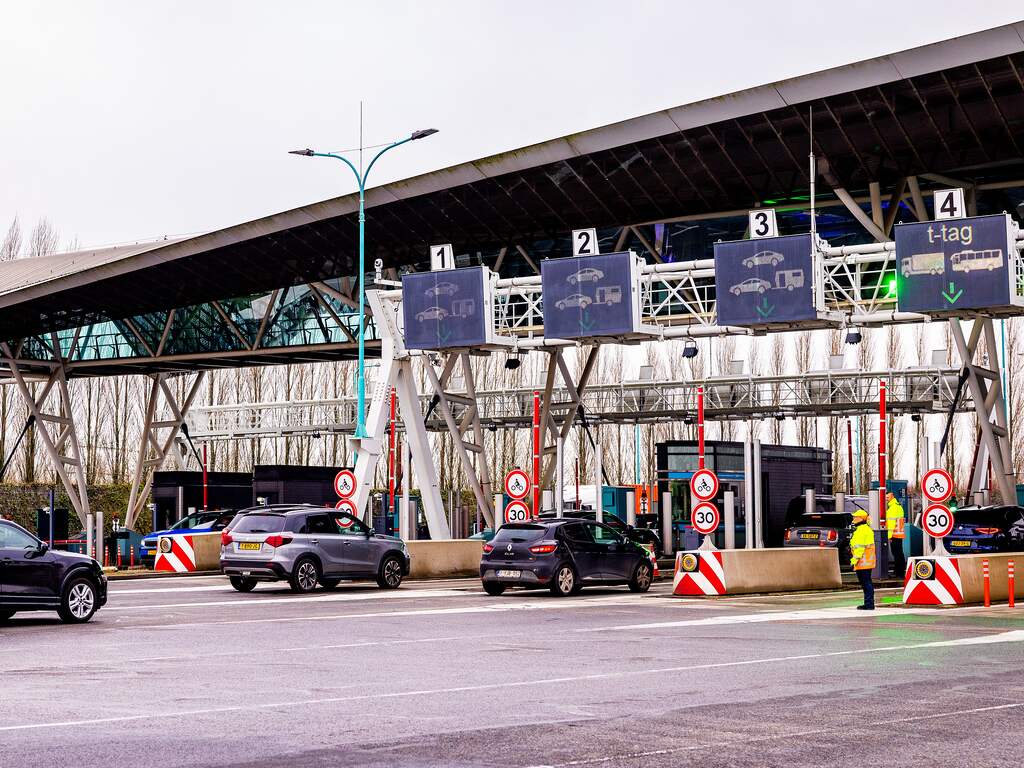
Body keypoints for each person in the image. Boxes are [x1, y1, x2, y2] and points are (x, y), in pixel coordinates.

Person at [849, 509, 876, 610]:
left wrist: (853, 561)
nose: (853, 519)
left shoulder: (862, 531)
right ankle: (868, 603)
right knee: (866, 582)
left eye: (855, 517)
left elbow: (860, 548)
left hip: (863, 562)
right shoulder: (865, 529)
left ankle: (869, 604)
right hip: (866, 561)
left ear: (861, 519)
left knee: (866, 583)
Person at [886, 491, 906, 577]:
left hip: (894, 534)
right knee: (899, 553)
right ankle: (900, 572)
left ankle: (898, 573)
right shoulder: (897, 506)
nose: (886, 499)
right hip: (898, 533)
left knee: (897, 554)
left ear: (892, 496)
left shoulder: (893, 508)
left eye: (888, 497)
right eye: (886, 497)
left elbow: (891, 524)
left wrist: (889, 536)